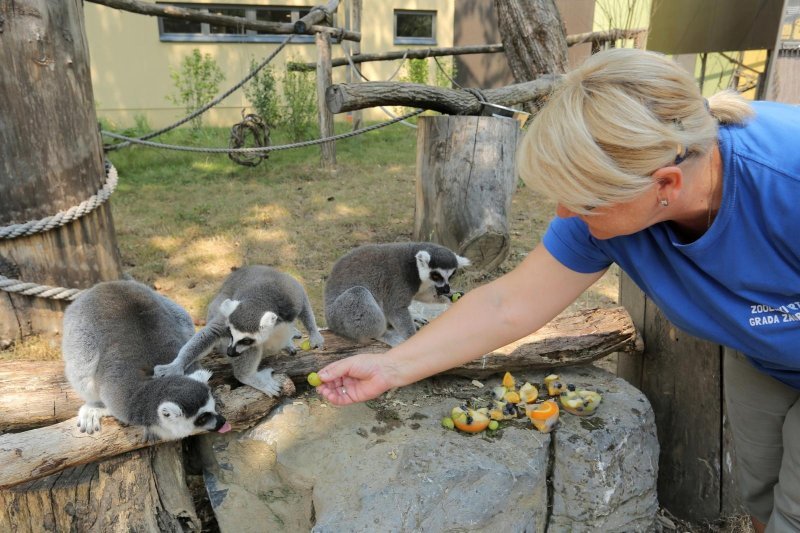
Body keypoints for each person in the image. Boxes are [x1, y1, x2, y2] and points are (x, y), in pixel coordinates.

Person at [315, 48, 800, 532]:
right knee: (760, 494)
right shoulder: (617, 198)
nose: (565, 214)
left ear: (665, 183)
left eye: (582, 200)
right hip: (765, 351)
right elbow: (509, 304)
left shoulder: (786, 179)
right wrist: (391, 365)